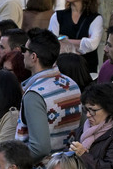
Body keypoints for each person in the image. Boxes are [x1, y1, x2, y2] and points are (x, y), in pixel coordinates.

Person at [18, 28, 82, 159]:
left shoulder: (34, 95)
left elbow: (39, 149)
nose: (22, 53)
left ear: (33, 56)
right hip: (67, 166)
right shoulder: (72, 84)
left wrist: (14, 161)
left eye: (24, 49)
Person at [50, 0, 103, 73]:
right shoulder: (57, 16)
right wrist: (79, 44)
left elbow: (92, 44)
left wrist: (65, 41)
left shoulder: (95, 18)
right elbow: (52, 43)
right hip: (62, 70)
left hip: (87, 70)